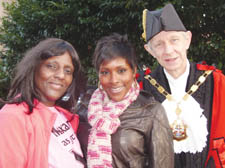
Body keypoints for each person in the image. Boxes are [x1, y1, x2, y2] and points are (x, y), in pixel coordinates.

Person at [140, 3, 225, 168]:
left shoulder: (217, 82)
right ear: (149, 50)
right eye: (159, 44)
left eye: (174, 40)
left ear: (188, 40)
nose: (168, 50)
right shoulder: (141, 89)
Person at [77, 33, 174, 168]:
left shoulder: (151, 112)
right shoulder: (84, 107)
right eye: (105, 72)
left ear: (133, 71)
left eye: (121, 71)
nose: (114, 80)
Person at [0, 38, 86, 168]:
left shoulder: (62, 114)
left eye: (68, 71)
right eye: (51, 66)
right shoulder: (13, 116)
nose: (61, 75)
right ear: (34, 68)